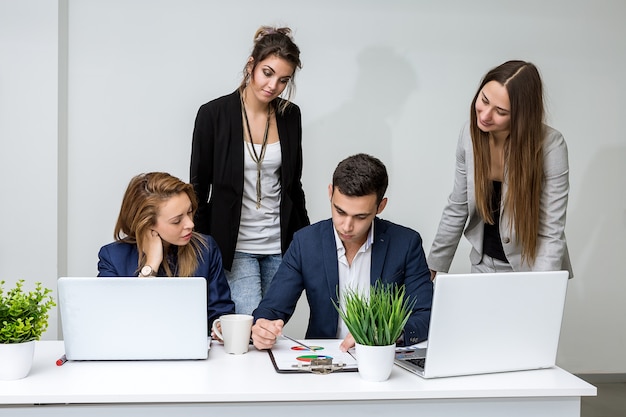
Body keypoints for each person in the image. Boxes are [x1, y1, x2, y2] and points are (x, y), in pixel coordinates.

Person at [251, 154, 433, 352]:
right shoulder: (305, 242)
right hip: (324, 363)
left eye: (360, 217)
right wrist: (262, 327)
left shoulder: (406, 243)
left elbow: (425, 314)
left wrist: (385, 333)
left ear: (380, 206)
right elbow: (272, 308)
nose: (347, 226)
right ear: (330, 193)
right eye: (340, 211)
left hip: (381, 358)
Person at [189, 25, 310, 316]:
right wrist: (204, 250)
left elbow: (294, 185)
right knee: (247, 324)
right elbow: (198, 188)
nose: (273, 86)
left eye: (283, 80)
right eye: (267, 73)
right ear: (251, 65)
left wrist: (307, 242)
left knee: (270, 327)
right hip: (234, 247)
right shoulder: (213, 115)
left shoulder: (290, 115)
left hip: (280, 245)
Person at [428, 60, 573, 279]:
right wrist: (433, 266)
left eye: (501, 111)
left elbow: (551, 231)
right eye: (484, 100)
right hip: (482, 265)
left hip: (531, 268)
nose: (485, 115)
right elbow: (457, 206)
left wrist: (543, 289)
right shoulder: (469, 135)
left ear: (522, 116)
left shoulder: (551, 146)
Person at [97, 172, 235, 330]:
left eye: (189, 211)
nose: (190, 224)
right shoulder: (113, 258)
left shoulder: (205, 248)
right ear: (147, 224)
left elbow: (220, 312)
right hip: (136, 351)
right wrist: (151, 266)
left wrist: (219, 327)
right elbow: (112, 320)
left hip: (193, 350)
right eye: (177, 221)